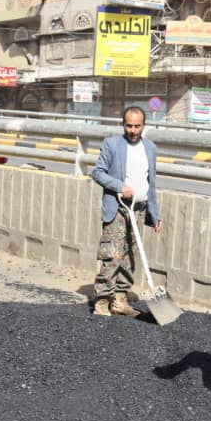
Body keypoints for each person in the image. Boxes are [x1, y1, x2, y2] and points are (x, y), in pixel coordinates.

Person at [90, 106, 163, 317]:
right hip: (118, 208)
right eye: (129, 126)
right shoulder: (111, 144)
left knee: (130, 257)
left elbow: (151, 183)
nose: (133, 130)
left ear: (144, 125)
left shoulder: (150, 148)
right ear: (123, 124)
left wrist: (155, 213)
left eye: (137, 126)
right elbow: (98, 173)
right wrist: (119, 186)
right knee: (111, 255)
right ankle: (102, 301)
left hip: (138, 210)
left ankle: (120, 300)